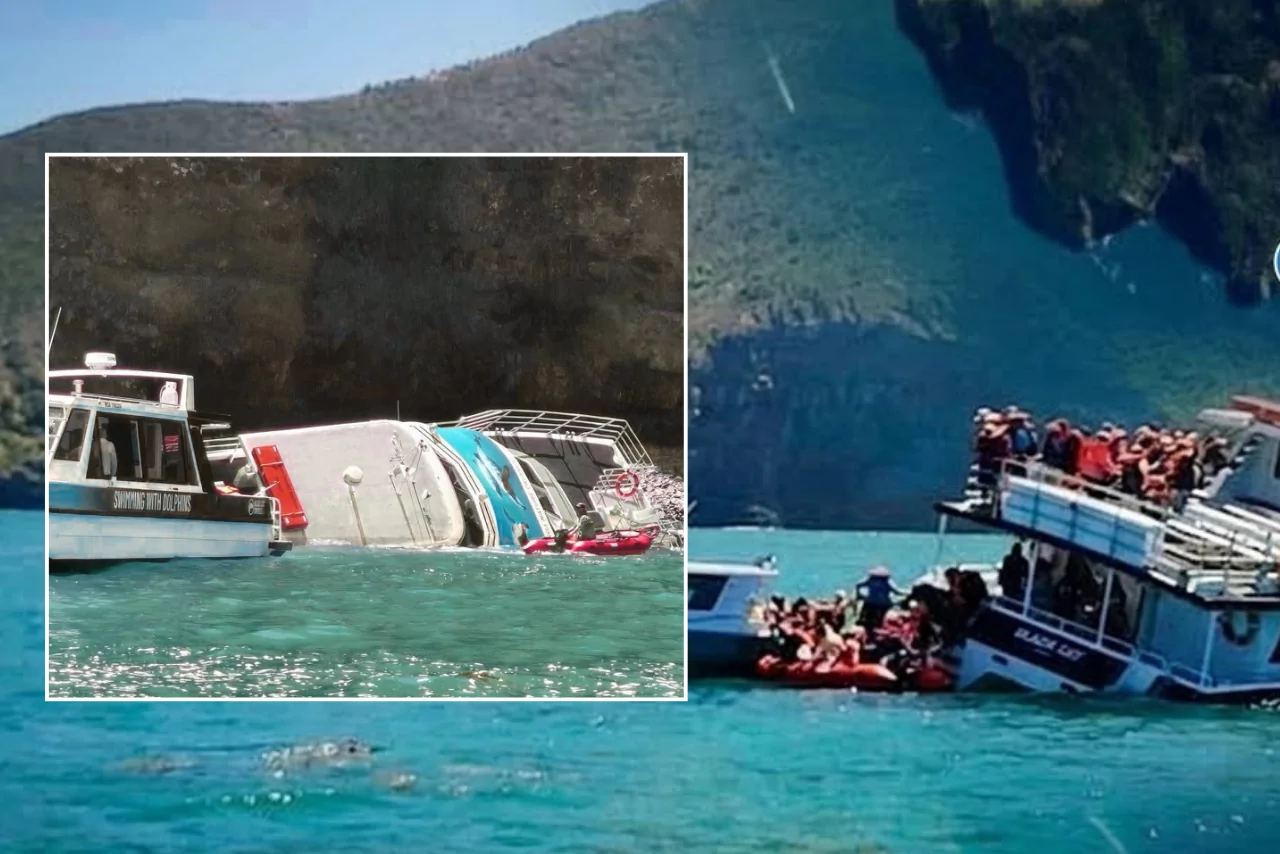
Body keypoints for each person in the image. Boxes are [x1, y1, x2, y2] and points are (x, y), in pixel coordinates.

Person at [855, 566, 903, 631]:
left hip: (870, 602)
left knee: (864, 616)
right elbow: (897, 591)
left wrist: (859, 595)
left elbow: (858, 585)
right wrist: (909, 592)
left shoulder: (870, 579)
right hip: (883, 604)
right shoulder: (887, 581)